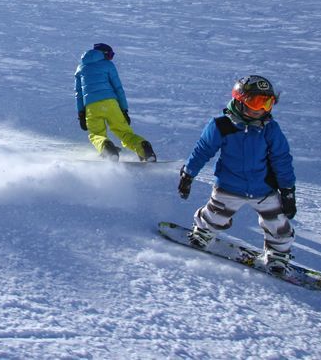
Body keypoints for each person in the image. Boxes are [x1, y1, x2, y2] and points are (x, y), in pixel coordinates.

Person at [177, 75, 297, 274]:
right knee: (216, 215)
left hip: (263, 188)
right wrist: (188, 174)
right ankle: (204, 232)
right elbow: (203, 150)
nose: (261, 110)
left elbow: (282, 160)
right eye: (255, 102)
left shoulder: (270, 129)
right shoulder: (221, 125)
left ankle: (277, 254)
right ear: (240, 100)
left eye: (267, 104)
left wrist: (287, 190)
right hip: (229, 186)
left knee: (277, 223)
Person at [74, 43, 157, 162]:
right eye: (110, 55)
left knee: (96, 134)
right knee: (123, 132)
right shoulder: (108, 65)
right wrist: (124, 110)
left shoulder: (80, 68)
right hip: (111, 103)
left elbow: (78, 94)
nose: (110, 58)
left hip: (91, 107)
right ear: (104, 54)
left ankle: (107, 149)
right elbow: (118, 88)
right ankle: (144, 149)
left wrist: (81, 114)